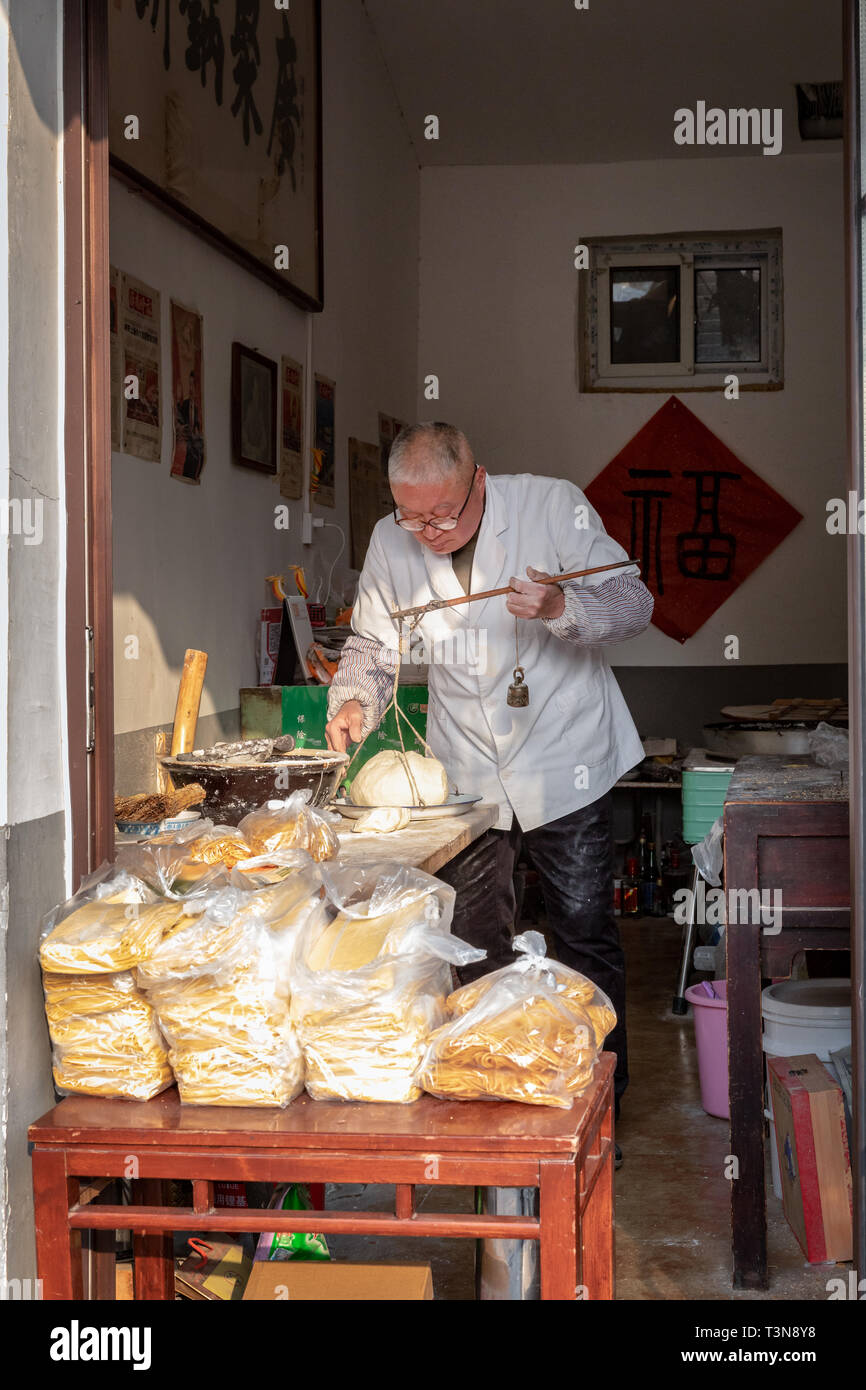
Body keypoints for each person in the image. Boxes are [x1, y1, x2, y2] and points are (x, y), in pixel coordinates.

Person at [325, 422, 654, 1159]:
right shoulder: (390, 539)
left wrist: (560, 610)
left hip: (565, 757)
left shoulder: (550, 506)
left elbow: (634, 605)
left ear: (480, 480)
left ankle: (601, 1115)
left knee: (582, 934)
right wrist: (354, 698)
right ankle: (494, 1115)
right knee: (474, 942)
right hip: (467, 771)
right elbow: (376, 646)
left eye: (442, 514)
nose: (427, 532)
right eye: (413, 516)